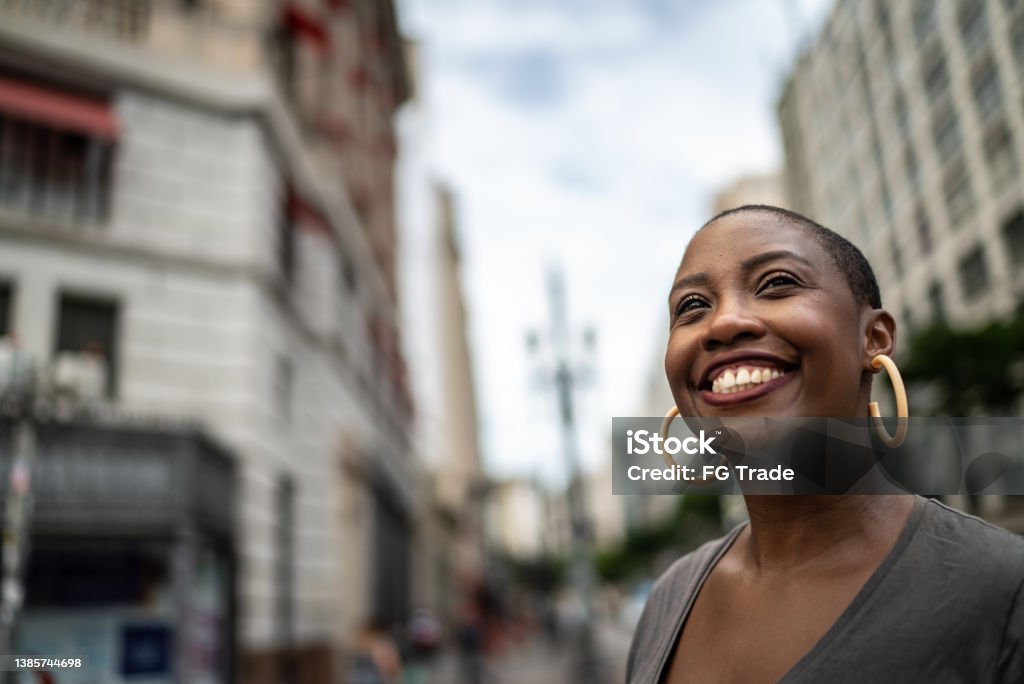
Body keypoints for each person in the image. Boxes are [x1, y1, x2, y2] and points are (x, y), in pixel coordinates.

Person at [625, 205, 1024, 683]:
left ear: (873, 337)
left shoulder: (1004, 590)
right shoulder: (668, 599)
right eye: (692, 306)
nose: (724, 323)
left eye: (776, 283)